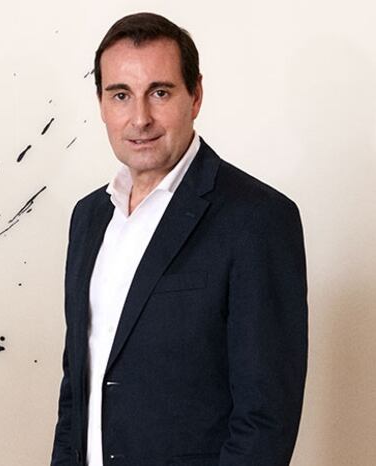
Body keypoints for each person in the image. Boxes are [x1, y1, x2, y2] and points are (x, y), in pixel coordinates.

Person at [51, 12, 307, 465]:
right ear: (101, 104)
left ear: (196, 96)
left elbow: (265, 419)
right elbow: (77, 387)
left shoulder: (257, 219)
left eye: (160, 92)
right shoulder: (88, 218)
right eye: (121, 95)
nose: (140, 118)